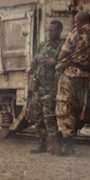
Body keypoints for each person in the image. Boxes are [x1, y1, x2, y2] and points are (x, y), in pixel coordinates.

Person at [53, 11, 90, 155]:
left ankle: (66, 145)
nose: (75, 24)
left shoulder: (76, 33)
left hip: (70, 74)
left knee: (64, 106)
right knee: (77, 108)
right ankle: (69, 140)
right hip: (85, 76)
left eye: (75, 22)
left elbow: (62, 54)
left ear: (80, 21)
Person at [26, 21, 64, 154]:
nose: (50, 33)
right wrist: (37, 59)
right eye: (49, 30)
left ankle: (53, 146)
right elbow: (32, 64)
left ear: (59, 31)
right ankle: (42, 143)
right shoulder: (42, 45)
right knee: (37, 115)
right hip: (38, 86)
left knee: (49, 116)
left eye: (53, 30)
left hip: (50, 87)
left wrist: (54, 62)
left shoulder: (62, 46)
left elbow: (64, 62)